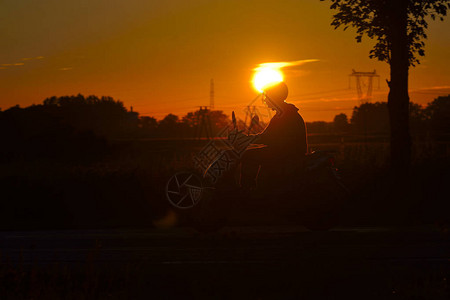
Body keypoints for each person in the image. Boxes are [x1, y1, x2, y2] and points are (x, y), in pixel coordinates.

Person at [240, 81, 308, 190]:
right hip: (285, 152)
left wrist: (246, 139)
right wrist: (248, 139)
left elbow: (267, 138)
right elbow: (267, 137)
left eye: (267, 97)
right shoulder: (284, 113)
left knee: (248, 155)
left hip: (288, 155)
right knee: (253, 151)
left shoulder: (285, 115)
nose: (265, 100)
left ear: (275, 97)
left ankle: (248, 192)